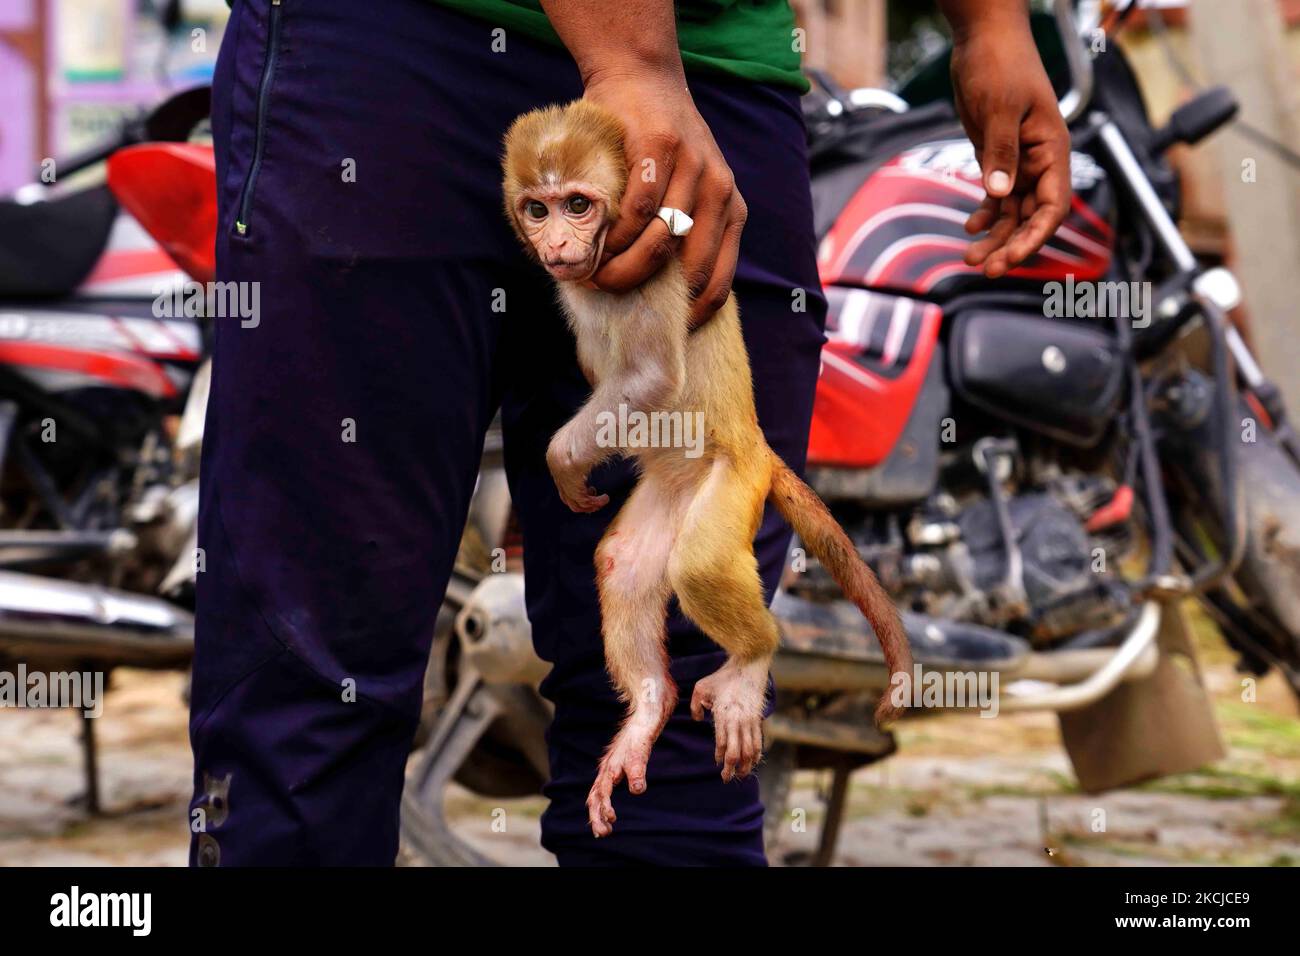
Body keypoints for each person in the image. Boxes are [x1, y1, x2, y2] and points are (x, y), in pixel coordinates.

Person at [188, 0, 1072, 866]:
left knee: (686, 733)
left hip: (712, 69)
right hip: (388, 49)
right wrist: (628, 62)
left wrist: (988, 21)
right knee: (312, 689)